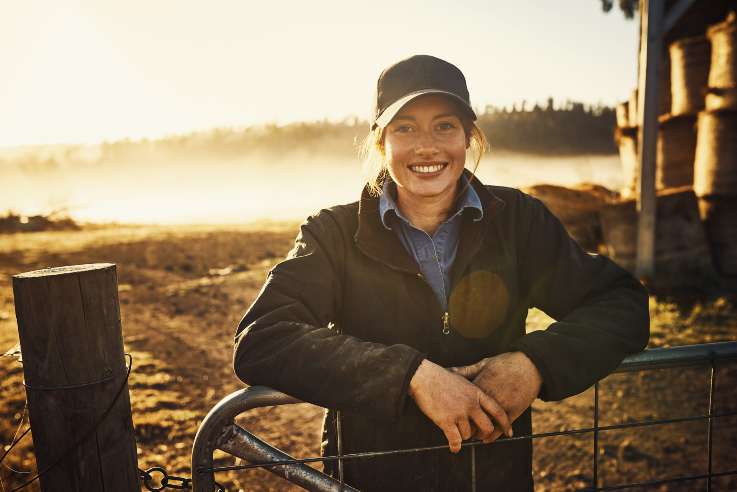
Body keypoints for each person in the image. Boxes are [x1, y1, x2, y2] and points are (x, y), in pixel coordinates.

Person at [233, 54, 650, 491]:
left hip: (491, 478)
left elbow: (620, 302)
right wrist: (409, 375)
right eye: (405, 127)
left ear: (469, 136)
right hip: (372, 479)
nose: (426, 146)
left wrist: (534, 363)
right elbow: (264, 338)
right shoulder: (334, 233)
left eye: (445, 125)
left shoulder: (517, 222)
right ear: (382, 141)